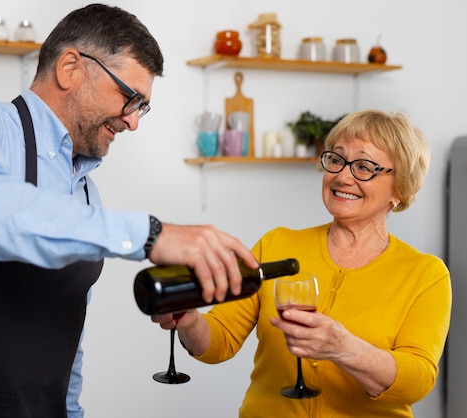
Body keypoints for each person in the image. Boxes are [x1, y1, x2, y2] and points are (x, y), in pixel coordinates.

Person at [0, 4, 258, 417]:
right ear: (70, 67)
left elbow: (66, 333)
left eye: (142, 107)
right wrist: (154, 234)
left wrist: (70, 412)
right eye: (130, 97)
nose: (134, 122)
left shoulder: (86, 194)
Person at [153, 110, 451, 417]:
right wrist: (190, 321)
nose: (342, 176)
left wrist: (343, 347)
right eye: (337, 159)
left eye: (363, 166)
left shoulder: (425, 274)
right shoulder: (277, 245)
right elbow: (220, 340)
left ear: (399, 189)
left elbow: (416, 382)